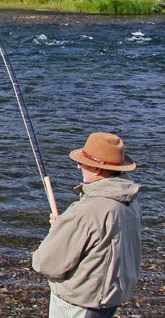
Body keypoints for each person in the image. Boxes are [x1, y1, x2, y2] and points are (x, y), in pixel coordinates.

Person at [31, 132, 143, 318]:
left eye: (82, 162)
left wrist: (59, 233)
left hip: (82, 301)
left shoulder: (87, 210)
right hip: (111, 295)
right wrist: (64, 228)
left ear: (98, 169)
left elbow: (45, 263)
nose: (78, 166)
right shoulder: (130, 200)